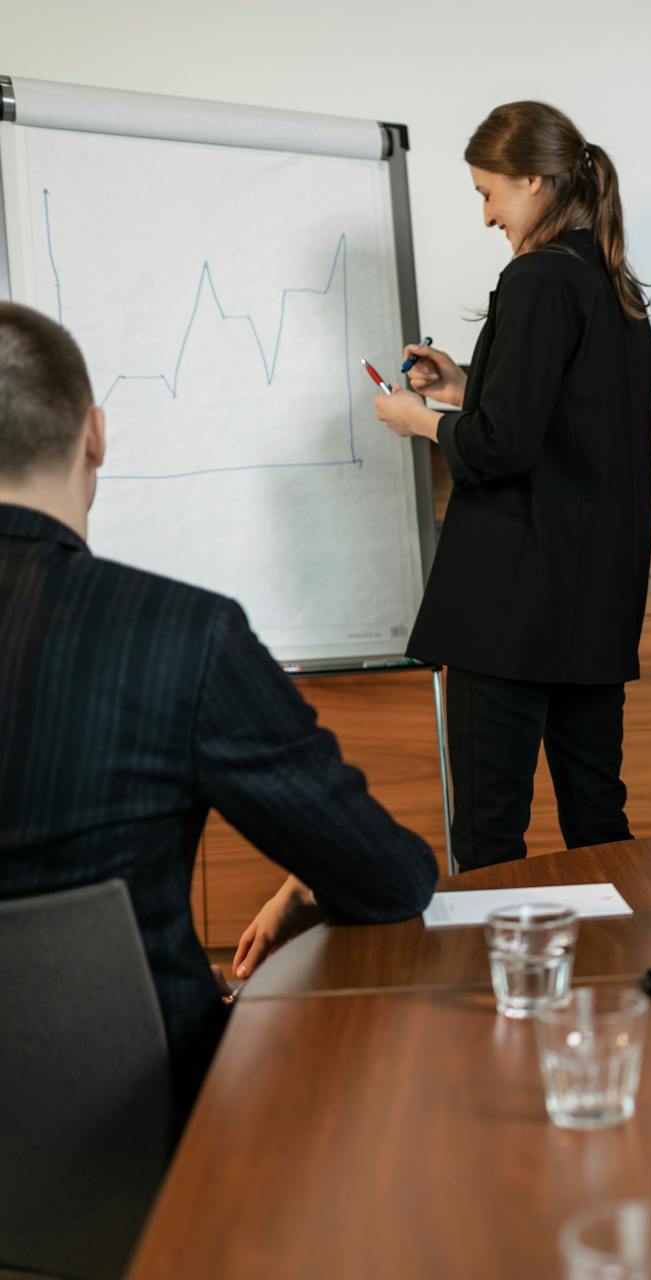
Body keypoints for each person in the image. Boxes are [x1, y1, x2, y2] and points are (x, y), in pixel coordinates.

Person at [0, 302, 438, 1124]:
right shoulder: (178, 635)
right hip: (142, 1142)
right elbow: (391, 881)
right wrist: (311, 877)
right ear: (94, 435)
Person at [372, 101, 651, 870]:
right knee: (599, 824)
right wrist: (467, 386)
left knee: (490, 838)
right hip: (592, 610)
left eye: (488, 193)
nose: (487, 215)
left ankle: (498, 990)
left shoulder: (536, 279)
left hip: (508, 613)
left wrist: (418, 420)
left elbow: (504, 444)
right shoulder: (614, 289)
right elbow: (567, 426)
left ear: (535, 180)